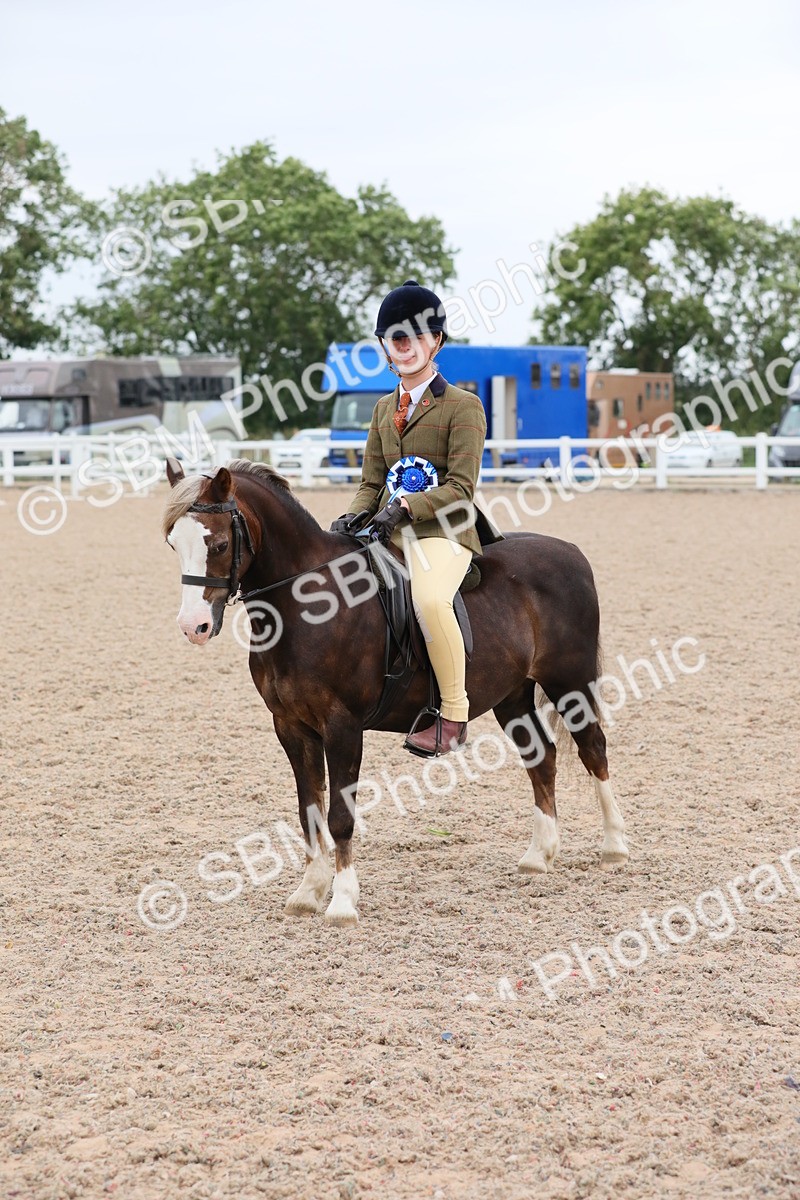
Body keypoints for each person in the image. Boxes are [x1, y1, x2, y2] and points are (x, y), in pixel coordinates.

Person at [330, 280, 498, 757]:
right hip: (386, 527)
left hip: (445, 530)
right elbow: (371, 480)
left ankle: (453, 715)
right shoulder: (383, 409)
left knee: (426, 599)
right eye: (395, 339)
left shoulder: (464, 406)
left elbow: (461, 487)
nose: (404, 346)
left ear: (436, 342)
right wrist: (352, 517)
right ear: (385, 346)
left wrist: (402, 508)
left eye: (414, 337)